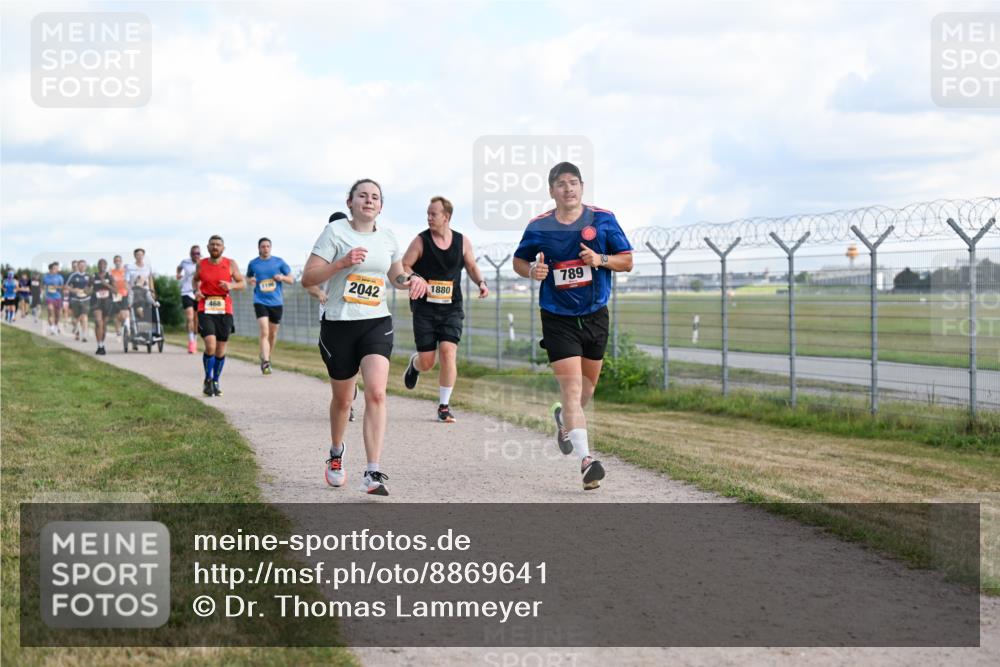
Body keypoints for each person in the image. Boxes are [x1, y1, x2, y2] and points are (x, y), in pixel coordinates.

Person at [511, 162, 634, 490]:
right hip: (557, 316)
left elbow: (627, 261)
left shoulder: (603, 219)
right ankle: (586, 461)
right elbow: (519, 260)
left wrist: (600, 259)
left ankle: (565, 422)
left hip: (595, 314)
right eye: (561, 184)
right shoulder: (539, 226)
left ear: (581, 187)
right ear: (552, 191)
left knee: (587, 389)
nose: (568, 189)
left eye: (573, 183)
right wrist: (531, 272)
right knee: (572, 388)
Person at [302, 179, 420, 496]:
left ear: (380, 206)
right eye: (363, 195)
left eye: (375, 197)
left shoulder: (388, 237)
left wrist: (412, 280)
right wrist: (341, 263)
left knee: (377, 394)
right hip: (339, 324)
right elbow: (308, 277)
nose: (369, 200)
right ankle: (336, 452)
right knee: (343, 400)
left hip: (376, 322)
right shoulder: (335, 232)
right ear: (350, 202)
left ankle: (372, 472)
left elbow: (396, 275)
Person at [400, 196, 489, 423]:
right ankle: (415, 365)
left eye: (433, 214)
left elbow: (471, 266)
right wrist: (415, 277)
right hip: (424, 308)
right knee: (428, 362)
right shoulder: (421, 241)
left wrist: (481, 282)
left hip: (452, 308)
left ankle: (444, 407)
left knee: (448, 352)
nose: (429, 218)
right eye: (428, 214)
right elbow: (405, 265)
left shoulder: (462, 241)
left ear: (446, 217)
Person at [192, 235, 245, 397]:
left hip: (224, 308)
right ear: (208, 247)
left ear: (223, 248)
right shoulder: (201, 264)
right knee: (210, 345)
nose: (215, 247)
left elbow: (242, 283)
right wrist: (196, 291)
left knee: (220, 350)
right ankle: (208, 379)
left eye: (218, 245)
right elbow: (195, 280)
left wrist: (231, 285)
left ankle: (215, 380)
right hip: (205, 306)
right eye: (212, 244)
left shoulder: (230, 264)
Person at [246, 238, 293, 375]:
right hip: (260, 301)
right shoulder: (253, 263)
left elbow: (291, 279)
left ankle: (267, 356)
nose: (265, 248)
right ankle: (266, 362)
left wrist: (282, 278)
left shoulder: (279, 262)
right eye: (263, 246)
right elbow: (247, 278)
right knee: (264, 331)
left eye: (267, 246)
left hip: (276, 302)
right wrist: (250, 280)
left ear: (270, 248)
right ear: (259, 248)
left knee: (272, 334)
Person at [177, 245, 201, 354]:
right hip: (186, 292)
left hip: (198, 293)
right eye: (194, 253)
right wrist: (178, 274)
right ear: (190, 254)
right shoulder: (185, 262)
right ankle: (191, 342)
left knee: (196, 319)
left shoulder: (203, 263)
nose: (196, 255)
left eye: (198, 253)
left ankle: (195, 340)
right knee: (189, 317)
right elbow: (179, 268)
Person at [90, 259, 116, 355]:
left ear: (106, 266)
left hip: (107, 302)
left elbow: (115, 290)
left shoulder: (110, 276)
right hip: (96, 302)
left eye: (104, 264)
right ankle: (99, 345)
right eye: (100, 264)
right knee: (98, 322)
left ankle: (102, 343)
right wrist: (88, 288)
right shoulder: (93, 276)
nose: (102, 266)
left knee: (104, 325)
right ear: (98, 266)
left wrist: (106, 284)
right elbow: (87, 289)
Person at [126, 248, 156, 322]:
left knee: (149, 303)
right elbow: (126, 281)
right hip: (134, 290)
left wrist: (152, 291)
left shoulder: (148, 267)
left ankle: (146, 320)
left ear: (143, 256)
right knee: (137, 307)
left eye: (141, 255)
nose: (139, 256)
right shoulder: (130, 267)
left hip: (145, 290)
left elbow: (150, 279)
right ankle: (137, 319)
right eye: (138, 255)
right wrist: (128, 290)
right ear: (135, 256)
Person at [66, 259, 91, 342]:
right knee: (75, 317)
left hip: (85, 299)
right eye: (81, 265)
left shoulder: (88, 276)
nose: (82, 267)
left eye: (84, 265)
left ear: (86, 266)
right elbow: (67, 286)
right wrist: (73, 290)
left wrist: (88, 291)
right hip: (75, 299)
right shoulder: (73, 275)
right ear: (78, 266)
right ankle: (76, 330)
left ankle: (84, 335)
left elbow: (92, 287)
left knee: (84, 316)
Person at [43, 262, 64, 335]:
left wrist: (57, 287)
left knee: (57, 315)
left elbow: (62, 287)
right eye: (55, 268)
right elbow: (43, 285)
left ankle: (56, 326)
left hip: (57, 297)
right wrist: (44, 289)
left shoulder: (60, 277)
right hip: (49, 297)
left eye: (57, 268)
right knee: (50, 311)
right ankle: (52, 328)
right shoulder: (46, 277)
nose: (57, 270)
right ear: (51, 269)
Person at [110, 255, 129, 336]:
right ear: (114, 262)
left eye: (119, 260)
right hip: (116, 294)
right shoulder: (111, 272)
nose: (117, 262)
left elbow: (128, 282)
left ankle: (125, 327)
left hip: (124, 294)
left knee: (125, 313)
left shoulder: (125, 271)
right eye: (116, 261)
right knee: (117, 314)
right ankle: (118, 331)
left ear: (121, 261)